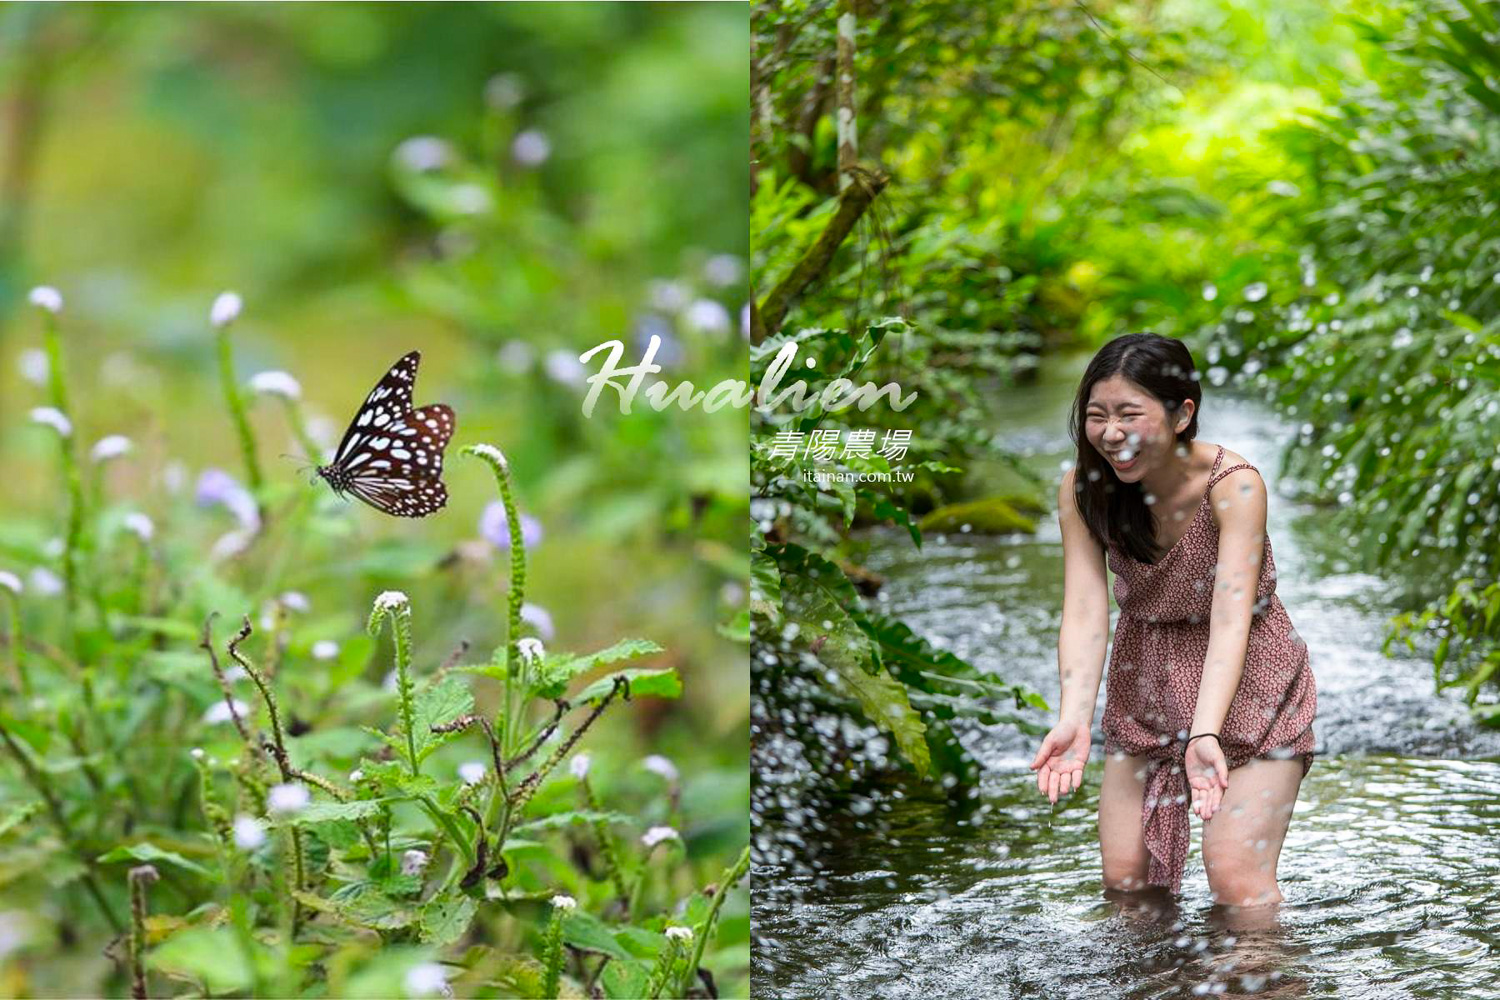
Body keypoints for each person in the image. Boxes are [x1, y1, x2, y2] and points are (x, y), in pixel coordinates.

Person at [1028, 332, 1317, 907]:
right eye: (1096, 415)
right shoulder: (1084, 490)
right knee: (1128, 884)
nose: (1112, 434)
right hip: (1146, 683)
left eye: (1130, 414)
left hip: (1250, 685)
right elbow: (1085, 611)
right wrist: (1074, 719)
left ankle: (1264, 988)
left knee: (1238, 883)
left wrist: (1205, 730)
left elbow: (1232, 618)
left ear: (1183, 414)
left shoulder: (1234, 486)